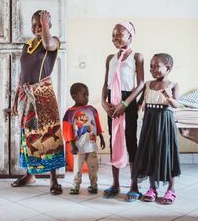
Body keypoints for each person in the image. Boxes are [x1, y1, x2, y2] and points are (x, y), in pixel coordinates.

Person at [10, 10, 65, 195]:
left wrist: (45, 24)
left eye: (40, 24)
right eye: (34, 24)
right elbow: (22, 73)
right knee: (28, 136)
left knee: (48, 136)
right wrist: (15, 98)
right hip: (26, 95)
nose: (36, 28)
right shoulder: (27, 45)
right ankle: (29, 175)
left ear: (48, 24)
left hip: (43, 95)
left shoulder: (53, 41)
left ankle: (53, 179)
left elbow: (48, 44)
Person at [129, 53, 181, 204]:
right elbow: (139, 104)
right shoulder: (147, 85)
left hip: (164, 121)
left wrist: (168, 97)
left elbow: (176, 105)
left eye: (157, 66)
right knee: (150, 153)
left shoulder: (173, 85)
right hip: (149, 122)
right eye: (151, 66)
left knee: (166, 153)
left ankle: (171, 189)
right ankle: (152, 188)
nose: (152, 69)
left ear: (168, 68)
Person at [101, 22, 144, 200]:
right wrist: (104, 102)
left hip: (128, 101)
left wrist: (125, 104)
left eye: (119, 35)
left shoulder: (137, 57)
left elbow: (141, 84)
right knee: (114, 141)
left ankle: (134, 185)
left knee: (130, 142)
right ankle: (115, 184)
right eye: (113, 35)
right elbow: (105, 84)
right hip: (112, 101)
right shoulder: (110, 58)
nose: (115, 38)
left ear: (130, 37)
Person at [62, 83, 105, 195]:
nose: (87, 97)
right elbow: (67, 129)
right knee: (77, 168)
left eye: (88, 95)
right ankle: (76, 185)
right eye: (84, 95)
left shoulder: (92, 109)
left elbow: (97, 124)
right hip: (78, 147)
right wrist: (71, 144)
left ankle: (94, 185)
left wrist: (101, 136)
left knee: (93, 166)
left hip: (91, 145)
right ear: (74, 96)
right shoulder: (70, 112)